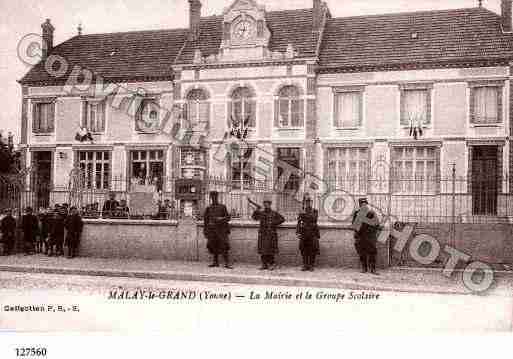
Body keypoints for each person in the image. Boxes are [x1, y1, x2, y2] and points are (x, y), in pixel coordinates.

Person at [251, 197, 285, 271]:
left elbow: (282, 219)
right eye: (265, 204)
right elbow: (254, 217)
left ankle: (271, 264)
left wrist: (274, 223)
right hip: (263, 234)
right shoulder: (261, 213)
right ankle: (264, 264)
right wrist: (256, 210)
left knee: (271, 250)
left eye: (268, 204)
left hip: (271, 234)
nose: (266, 205)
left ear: (270, 205)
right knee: (263, 250)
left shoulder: (274, 213)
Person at [203, 191, 232, 269]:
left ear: (217, 197)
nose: (214, 199)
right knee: (213, 246)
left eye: (215, 197)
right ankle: (215, 262)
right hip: (212, 230)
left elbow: (228, 218)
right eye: (212, 197)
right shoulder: (208, 208)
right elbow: (205, 220)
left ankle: (227, 263)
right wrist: (205, 231)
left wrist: (221, 218)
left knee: (224, 246)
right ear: (211, 198)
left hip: (221, 230)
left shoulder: (222, 207)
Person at [352, 198, 380, 275]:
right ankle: (364, 268)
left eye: (365, 204)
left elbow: (377, 224)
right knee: (362, 253)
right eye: (362, 204)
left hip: (370, 236)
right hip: (360, 236)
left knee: (372, 253)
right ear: (360, 205)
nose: (364, 206)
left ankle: (373, 269)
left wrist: (372, 232)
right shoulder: (357, 213)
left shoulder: (371, 213)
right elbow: (354, 224)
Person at [296, 198, 320, 271]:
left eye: (309, 202)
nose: (308, 204)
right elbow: (299, 222)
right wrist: (298, 232)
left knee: (313, 249)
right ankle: (305, 265)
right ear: (305, 203)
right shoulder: (302, 211)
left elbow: (314, 218)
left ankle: (311, 265)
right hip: (304, 233)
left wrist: (303, 214)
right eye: (307, 202)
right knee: (303, 249)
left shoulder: (315, 211)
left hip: (313, 233)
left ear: (312, 203)